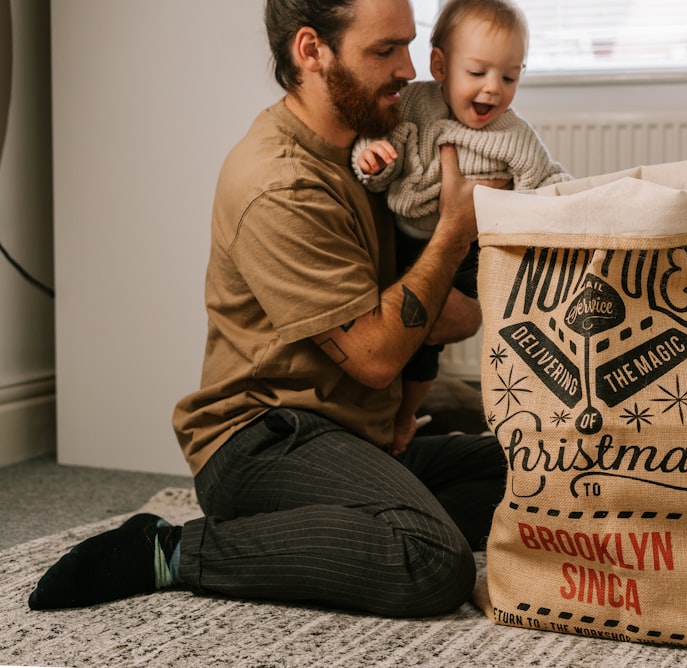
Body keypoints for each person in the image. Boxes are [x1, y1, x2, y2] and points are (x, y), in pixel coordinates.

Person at [28, 0, 509, 618]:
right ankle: (168, 549)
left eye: (408, 46)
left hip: (355, 430)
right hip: (261, 438)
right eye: (383, 50)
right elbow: (376, 356)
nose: (408, 69)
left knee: (535, 467)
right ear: (311, 51)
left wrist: (421, 293)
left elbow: (461, 315)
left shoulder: (384, 152)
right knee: (431, 561)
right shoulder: (278, 182)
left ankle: (363, 519)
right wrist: (451, 233)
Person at [352, 0, 572, 447]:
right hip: (405, 236)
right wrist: (370, 160)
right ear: (440, 65)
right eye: (478, 73)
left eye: (509, 77)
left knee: (431, 341)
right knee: (392, 324)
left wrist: (570, 199)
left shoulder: (513, 136)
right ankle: (382, 415)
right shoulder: (413, 103)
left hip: (470, 250)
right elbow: (380, 145)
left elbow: (545, 179)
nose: (493, 89)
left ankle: (406, 419)